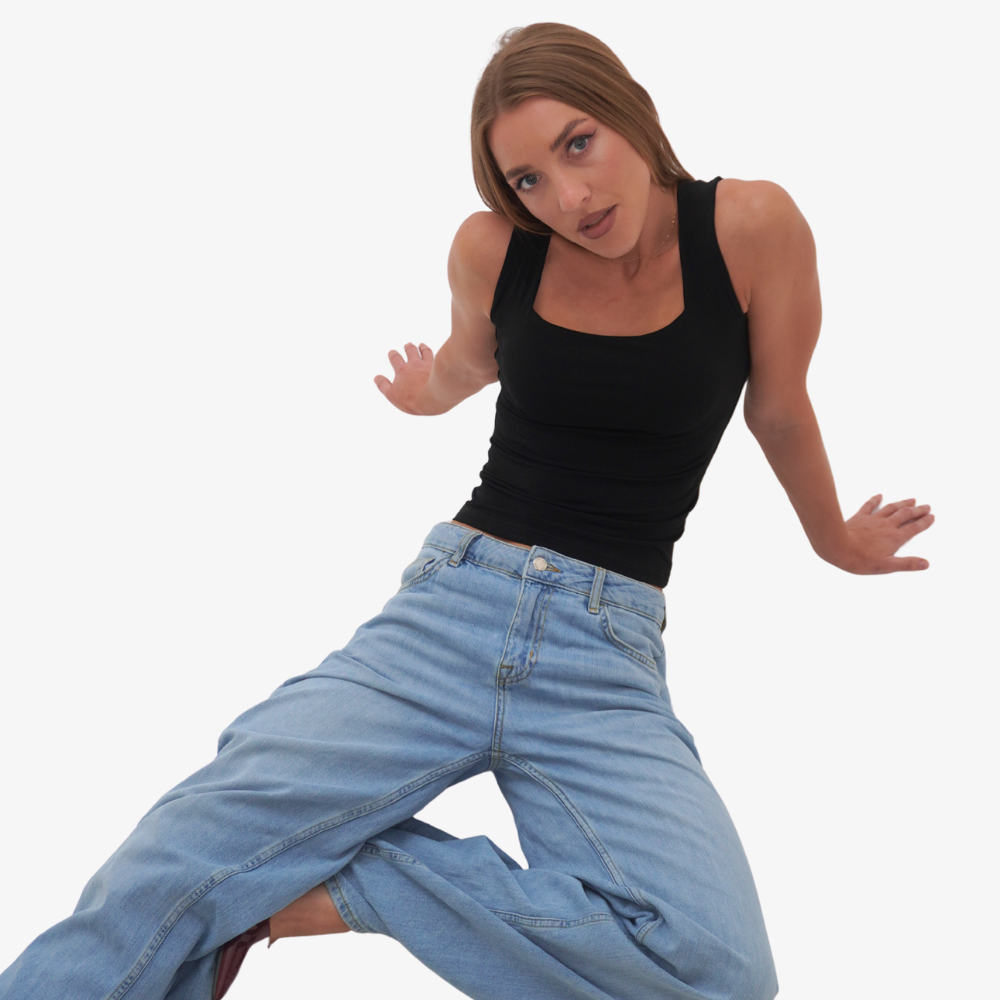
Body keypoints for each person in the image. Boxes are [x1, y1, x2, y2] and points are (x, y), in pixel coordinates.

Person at [0, 22, 934, 1000]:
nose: (567, 197)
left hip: (603, 659)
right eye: (527, 178)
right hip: (449, 612)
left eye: (577, 144)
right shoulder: (495, 250)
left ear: (628, 112)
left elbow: (777, 406)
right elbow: (469, 361)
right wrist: (428, 392)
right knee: (171, 859)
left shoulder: (751, 226)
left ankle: (352, 880)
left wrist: (835, 540)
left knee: (719, 975)